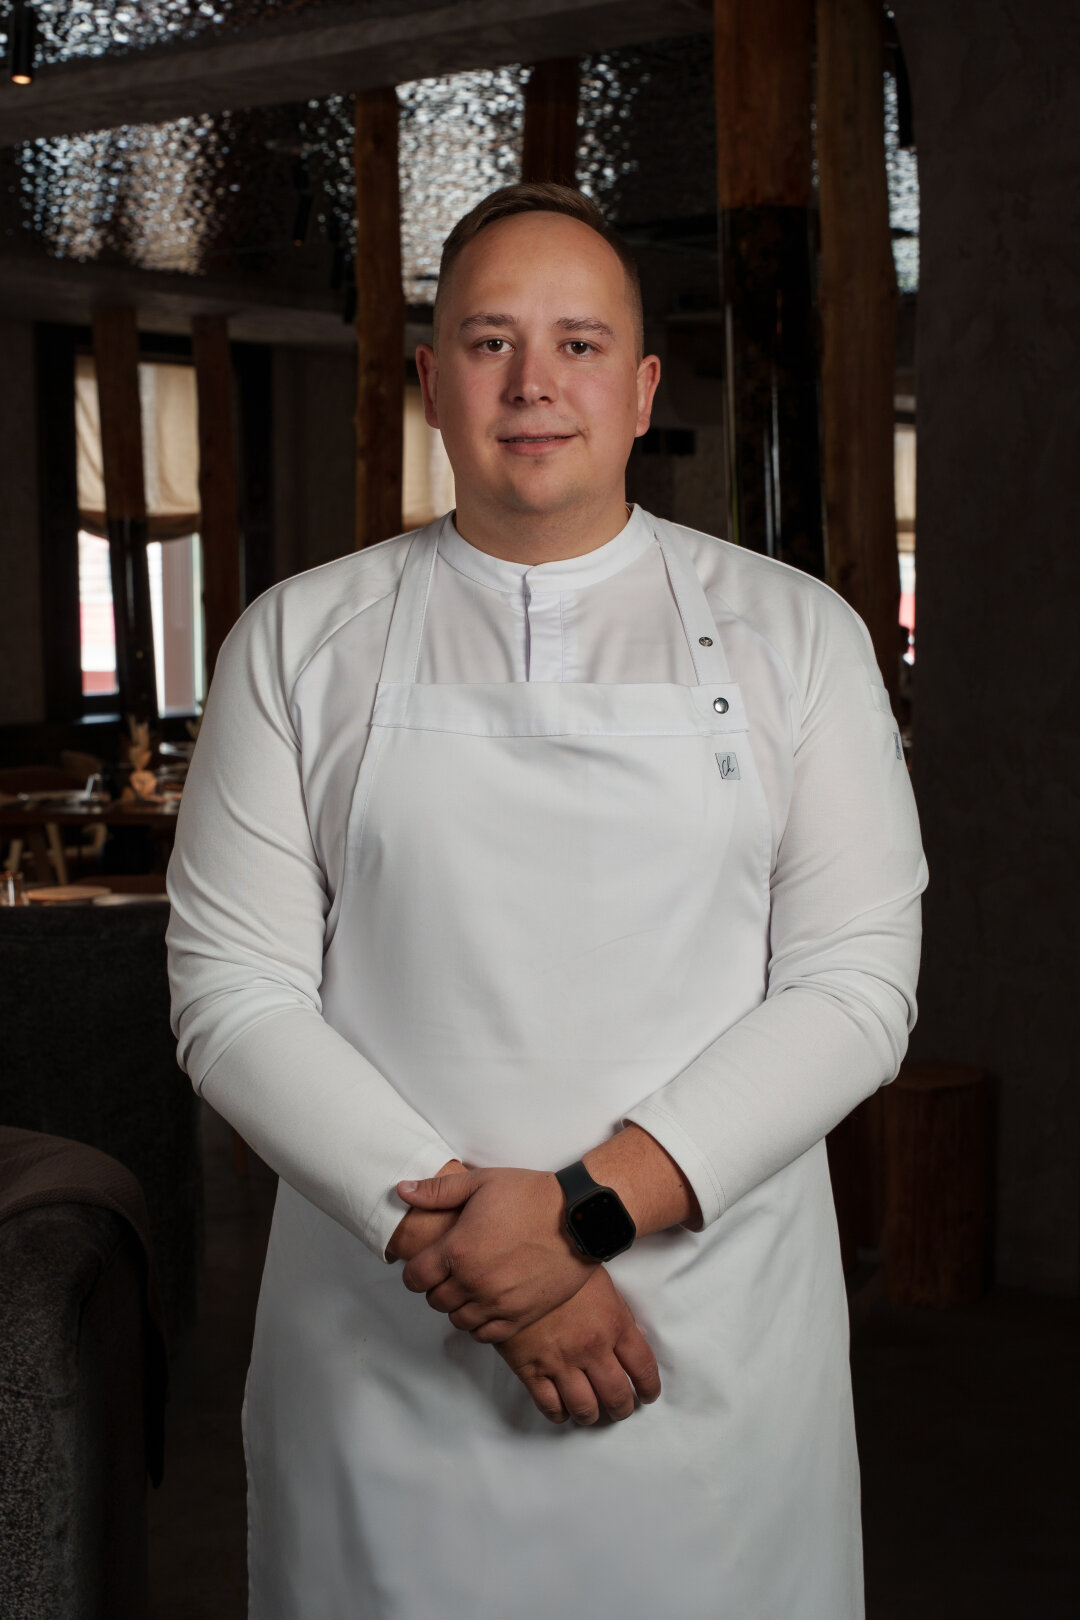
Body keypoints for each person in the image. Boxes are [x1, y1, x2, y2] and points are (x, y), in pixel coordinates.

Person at [166, 182, 927, 1620]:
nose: (534, 383)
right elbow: (231, 996)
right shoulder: (296, 641)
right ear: (430, 383)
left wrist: (579, 1220)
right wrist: (478, 1256)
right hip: (389, 1336)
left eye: (580, 344)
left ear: (641, 390)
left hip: (704, 1344)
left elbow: (855, 987)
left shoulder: (797, 638)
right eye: (489, 341)